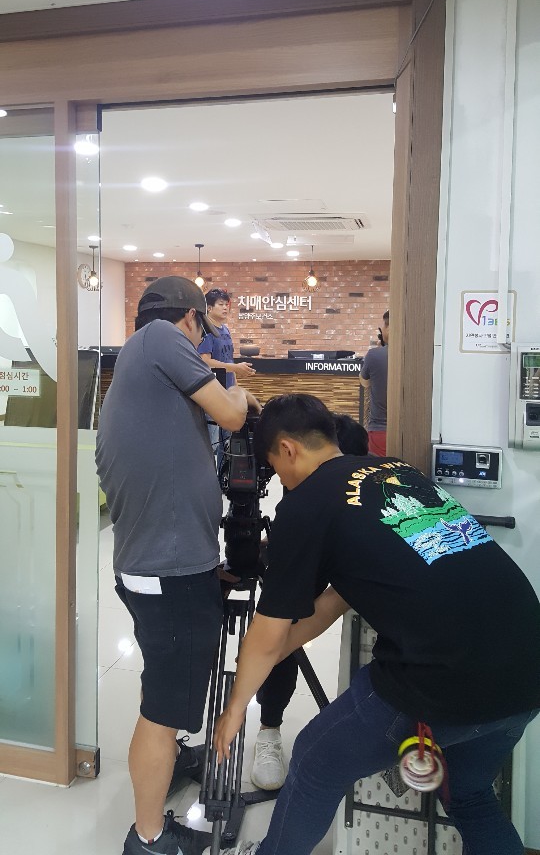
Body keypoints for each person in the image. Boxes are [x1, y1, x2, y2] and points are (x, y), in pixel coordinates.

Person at [214, 393, 540, 855]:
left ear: (287, 449)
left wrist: (234, 710)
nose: (280, 481)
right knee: (469, 794)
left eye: (275, 467)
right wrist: (268, 656)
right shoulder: (396, 471)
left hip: (440, 674)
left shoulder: (307, 503)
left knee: (314, 760)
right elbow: (332, 603)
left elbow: (268, 634)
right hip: (528, 667)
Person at [96, 276, 252, 855]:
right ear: (191, 318)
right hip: (168, 571)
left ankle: (174, 757)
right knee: (161, 709)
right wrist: (243, 394)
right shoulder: (163, 337)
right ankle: (149, 837)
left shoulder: (138, 361)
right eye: (202, 329)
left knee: (167, 684)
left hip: (158, 564)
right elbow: (231, 415)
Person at [251, 413, 368, 792]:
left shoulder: (356, 473)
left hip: (359, 550)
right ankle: (269, 729)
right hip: (310, 548)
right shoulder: (299, 490)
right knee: (283, 625)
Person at [198, 288, 256, 465]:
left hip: (228, 393)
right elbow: (205, 361)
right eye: (220, 304)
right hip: (212, 393)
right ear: (209, 308)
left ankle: (222, 476)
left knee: (228, 442)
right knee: (212, 443)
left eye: (226, 304)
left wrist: (235, 386)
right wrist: (235, 367)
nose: (225, 308)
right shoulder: (205, 331)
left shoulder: (225, 330)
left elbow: (228, 359)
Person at [360, 309, 389, 456]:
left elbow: (364, 383)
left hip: (379, 430)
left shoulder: (374, 355)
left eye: (384, 325)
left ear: (389, 328)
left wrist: (379, 350)